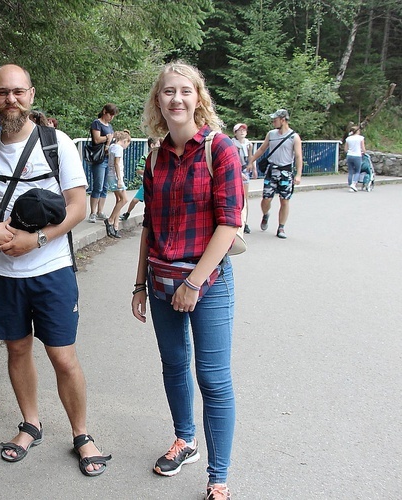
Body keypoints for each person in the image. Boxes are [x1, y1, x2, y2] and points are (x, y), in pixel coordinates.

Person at [0, 64, 111, 477]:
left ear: (32, 94)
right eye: (3, 92)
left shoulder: (57, 143)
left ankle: (81, 433)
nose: (12, 99)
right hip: (1, 273)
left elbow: (78, 206)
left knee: (63, 356)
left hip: (51, 268)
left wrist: (37, 240)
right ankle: (31, 423)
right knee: (17, 348)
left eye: (19, 92)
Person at [131, 61, 243, 500]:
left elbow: (229, 224)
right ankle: (185, 441)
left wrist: (193, 283)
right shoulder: (155, 155)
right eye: (167, 92)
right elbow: (148, 226)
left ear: (199, 97)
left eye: (184, 91)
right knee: (174, 366)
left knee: (213, 379)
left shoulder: (222, 149)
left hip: (208, 284)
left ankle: (218, 478)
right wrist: (139, 284)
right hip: (160, 282)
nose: (176, 99)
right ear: (157, 100)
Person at [246, 108, 303, 239]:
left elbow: (298, 156)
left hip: (286, 171)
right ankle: (265, 214)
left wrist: (298, 174)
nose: (273, 122)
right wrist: (251, 162)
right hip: (271, 171)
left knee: (284, 200)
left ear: (283, 120)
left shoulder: (294, 137)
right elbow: (261, 149)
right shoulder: (271, 134)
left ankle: (281, 227)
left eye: (275, 120)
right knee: (266, 198)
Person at [87, 103, 118, 223]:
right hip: (98, 158)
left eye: (113, 115)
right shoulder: (97, 123)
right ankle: (93, 212)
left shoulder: (109, 126)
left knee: (105, 186)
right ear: (105, 111)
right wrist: (108, 138)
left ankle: (100, 211)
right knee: (98, 185)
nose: (111, 117)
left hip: (107, 157)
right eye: (110, 114)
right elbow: (96, 139)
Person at [120, 137, 160, 221]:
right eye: (158, 144)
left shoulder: (160, 157)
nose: (160, 146)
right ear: (152, 145)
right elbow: (138, 170)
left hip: (157, 184)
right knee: (135, 200)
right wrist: (148, 173)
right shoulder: (145, 157)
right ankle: (127, 213)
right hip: (147, 183)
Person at [104, 129, 131, 238]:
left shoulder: (112, 146)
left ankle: (116, 226)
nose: (127, 146)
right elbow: (116, 164)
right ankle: (110, 220)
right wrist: (119, 179)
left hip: (111, 175)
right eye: (128, 143)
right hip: (116, 177)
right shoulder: (119, 148)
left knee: (119, 200)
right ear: (124, 141)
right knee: (124, 199)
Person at [232, 123, 254, 233]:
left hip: (245, 171)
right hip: (235, 171)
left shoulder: (249, 144)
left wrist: (253, 168)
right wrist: (239, 172)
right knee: (236, 197)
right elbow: (232, 160)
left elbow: (251, 157)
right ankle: (236, 220)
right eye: (239, 130)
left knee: (245, 198)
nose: (242, 132)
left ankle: (245, 222)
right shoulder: (232, 144)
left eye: (244, 130)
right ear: (235, 132)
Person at [344, 125, 366, 192]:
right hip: (357, 156)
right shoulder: (360, 138)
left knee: (350, 171)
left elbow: (345, 149)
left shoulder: (348, 138)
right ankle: (354, 184)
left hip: (349, 155)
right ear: (357, 131)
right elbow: (363, 148)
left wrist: (349, 152)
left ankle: (350, 185)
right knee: (357, 171)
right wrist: (363, 152)